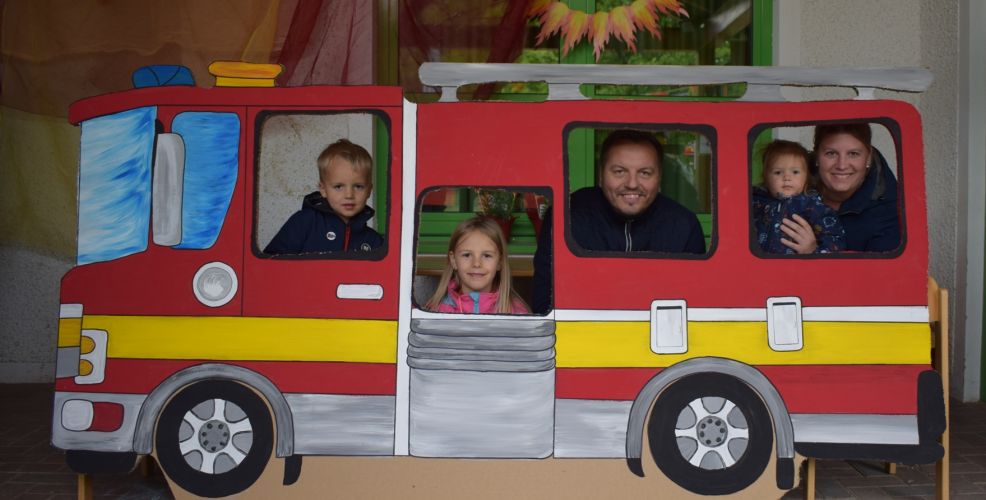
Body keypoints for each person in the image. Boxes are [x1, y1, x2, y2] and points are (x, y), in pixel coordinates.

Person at [532, 129, 705, 314]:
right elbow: (545, 303)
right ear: (601, 174)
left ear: (659, 177)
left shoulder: (684, 225)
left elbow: (696, 309)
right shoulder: (568, 216)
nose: (632, 183)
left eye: (645, 173)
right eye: (619, 171)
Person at [780, 123, 900, 253]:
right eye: (831, 153)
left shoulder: (893, 209)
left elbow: (884, 272)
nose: (842, 165)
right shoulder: (791, 182)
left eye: (853, 154)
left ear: (868, 157)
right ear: (817, 155)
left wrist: (814, 255)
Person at [264, 139, 384, 255]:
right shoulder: (304, 223)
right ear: (323, 189)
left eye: (358, 186)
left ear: (369, 190)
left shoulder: (374, 241)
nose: (349, 195)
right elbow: (269, 265)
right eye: (338, 187)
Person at [752, 139, 845, 254]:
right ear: (766, 178)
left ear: (807, 178)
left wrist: (812, 251)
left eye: (795, 172)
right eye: (778, 172)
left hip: (797, 269)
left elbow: (834, 239)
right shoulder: (755, 201)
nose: (787, 177)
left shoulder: (813, 206)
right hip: (756, 267)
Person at [425, 217, 530, 314]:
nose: (476, 264)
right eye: (467, 255)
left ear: (499, 262)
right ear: (453, 260)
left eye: (487, 255)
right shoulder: (436, 312)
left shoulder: (517, 313)